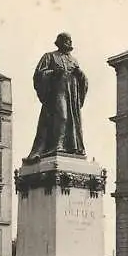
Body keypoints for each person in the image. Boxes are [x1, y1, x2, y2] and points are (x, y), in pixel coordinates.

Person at [25, 32, 88, 163]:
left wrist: (80, 74)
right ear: (59, 42)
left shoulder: (74, 60)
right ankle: (57, 145)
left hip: (72, 95)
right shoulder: (50, 56)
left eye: (69, 40)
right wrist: (53, 73)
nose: (68, 42)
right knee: (62, 116)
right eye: (65, 40)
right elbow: (39, 75)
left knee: (71, 120)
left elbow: (83, 81)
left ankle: (70, 147)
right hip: (57, 94)